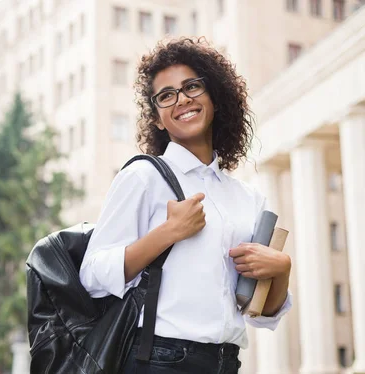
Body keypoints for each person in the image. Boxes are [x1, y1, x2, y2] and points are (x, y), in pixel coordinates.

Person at [79, 37, 293, 374]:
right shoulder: (143, 177)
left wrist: (281, 270)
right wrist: (168, 233)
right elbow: (92, 273)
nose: (181, 100)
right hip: (159, 360)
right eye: (166, 95)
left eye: (191, 87)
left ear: (214, 98)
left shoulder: (247, 198)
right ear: (159, 119)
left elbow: (261, 310)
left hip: (226, 362)